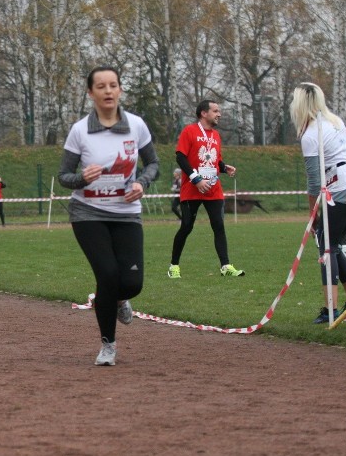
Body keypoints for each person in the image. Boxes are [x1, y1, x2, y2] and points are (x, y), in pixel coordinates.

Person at [58, 66, 159, 366]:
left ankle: (119, 299)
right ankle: (108, 345)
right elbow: (64, 175)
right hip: (88, 213)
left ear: (120, 90)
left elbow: (153, 163)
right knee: (107, 275)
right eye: (100, 86)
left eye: (113, 85)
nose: (108, 91)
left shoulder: (136, 126)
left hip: (126, 212)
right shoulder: (80, 130)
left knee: (132, 283)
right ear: (91, 93)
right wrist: (81, 179)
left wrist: (142, 183)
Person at [289, 82, 346, 324]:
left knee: (326, 246)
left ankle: (331, 308)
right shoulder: (335, 122)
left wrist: (312, 212)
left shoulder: (310, 135)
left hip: (339, 188)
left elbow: (314, 181)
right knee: (331, 244)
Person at [167, 100, 244, 279]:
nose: (219, 114)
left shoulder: (216, 135)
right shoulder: (189, 131)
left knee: (219, 226)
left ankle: (225, 266)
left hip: (213, 189)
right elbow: (180, 157)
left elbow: (214, 160)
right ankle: (174, 266)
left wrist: (225, 168)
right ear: (204, 113)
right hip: (192, 188)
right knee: (186, 226)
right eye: (215, 111)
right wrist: (196, 179)